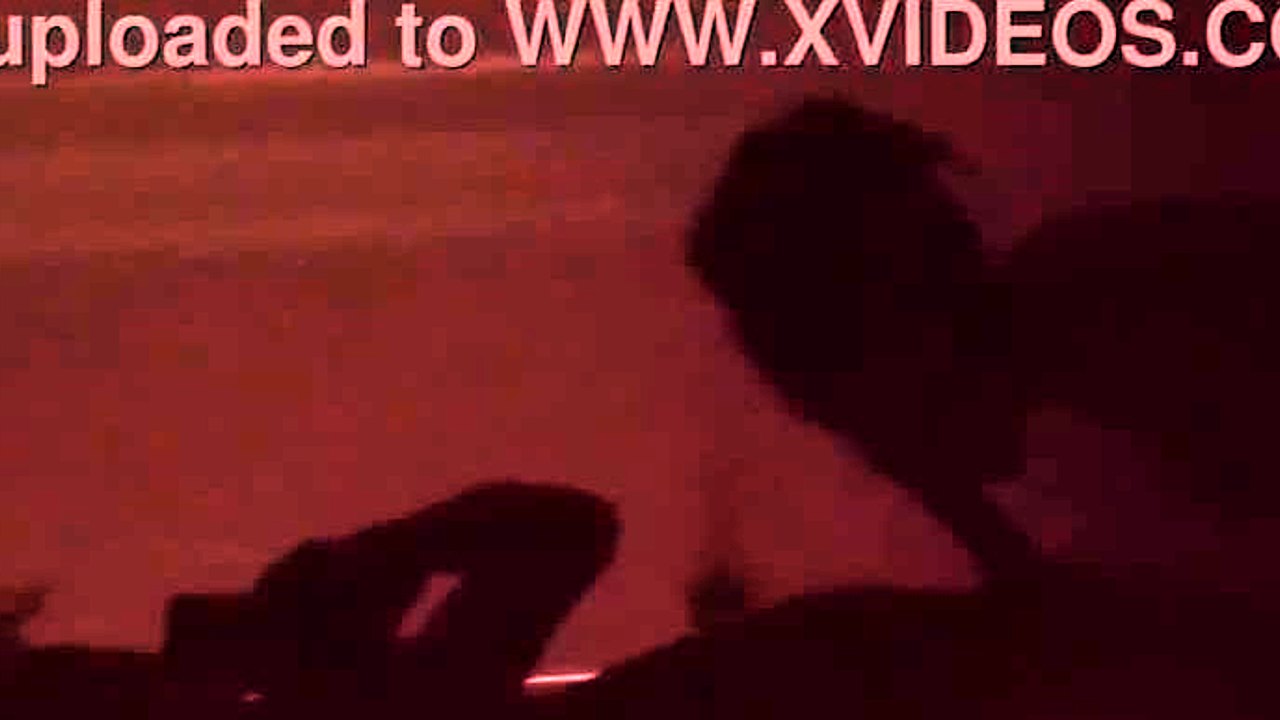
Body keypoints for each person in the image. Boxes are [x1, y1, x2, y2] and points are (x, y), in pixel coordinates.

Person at [160, 480, 619, 720]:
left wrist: (385, 552)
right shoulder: (438, 694)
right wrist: (389, 550)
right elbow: (575, 524)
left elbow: (574, 524)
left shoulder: (435, 688)